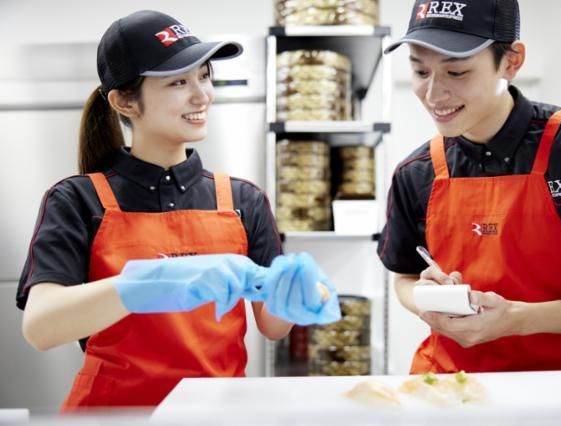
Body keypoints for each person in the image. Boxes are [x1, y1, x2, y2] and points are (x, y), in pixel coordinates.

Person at [16, 10, 340, 411]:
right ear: (124, 101)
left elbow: (272, 326)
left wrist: (299, 295)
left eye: (204, 75)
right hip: (112, 416)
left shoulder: (242, 200)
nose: (202, 94)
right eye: (178, 82)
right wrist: (147, 283)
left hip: (218, 413)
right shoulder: (78, 200)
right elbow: (41, 327)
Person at [378, 0, 561, 374]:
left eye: (456, 72)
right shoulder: (415, 173)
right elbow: (403, 276)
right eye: (420, 71)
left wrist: (517, 319)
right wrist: (425, 297)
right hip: (446, 387)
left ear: (512, 61)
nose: (433, 95)